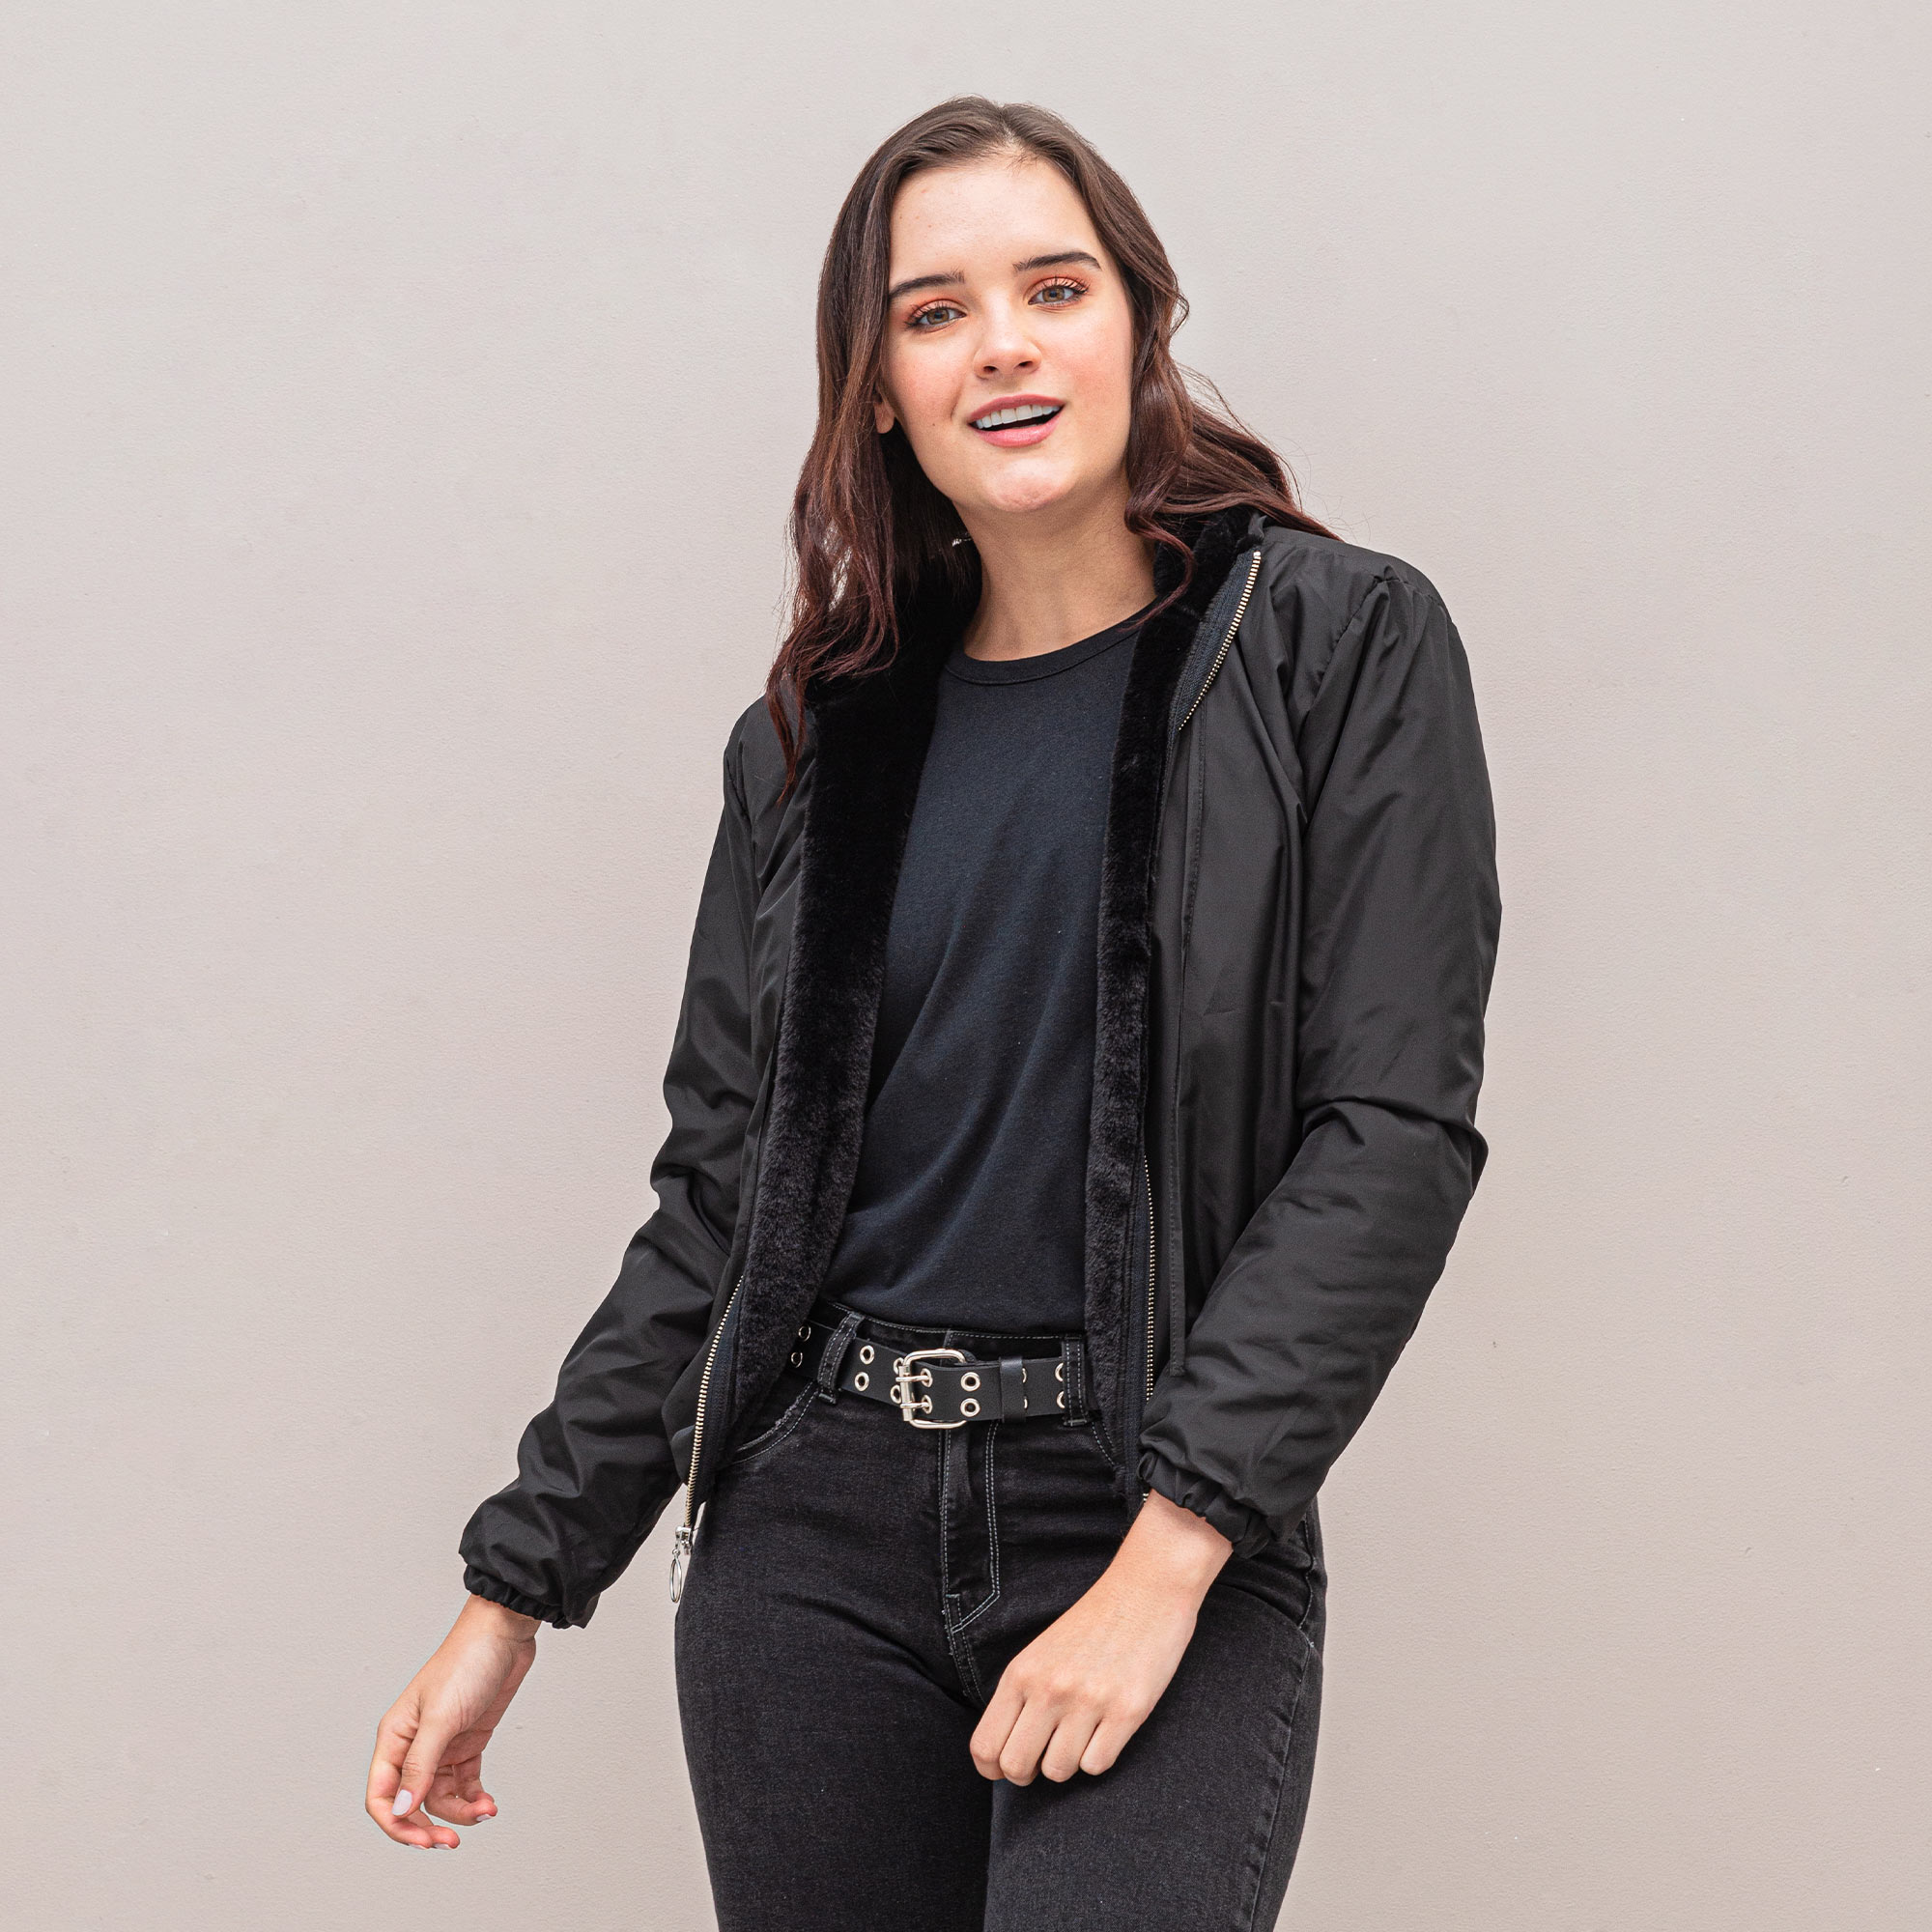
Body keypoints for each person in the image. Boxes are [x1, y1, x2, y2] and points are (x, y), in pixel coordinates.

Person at [365, 96, 1500, 1931]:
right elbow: (722, 1200)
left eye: (1054, 289)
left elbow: (1390, 1136)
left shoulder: (1332, 645)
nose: (1004, 347)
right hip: (811, 1540)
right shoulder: (814, 742)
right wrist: (518, 1589)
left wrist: (1168, 1562)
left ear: (1139, 319)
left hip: (1142, 1497)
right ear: (880, 387)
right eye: (934, 311)